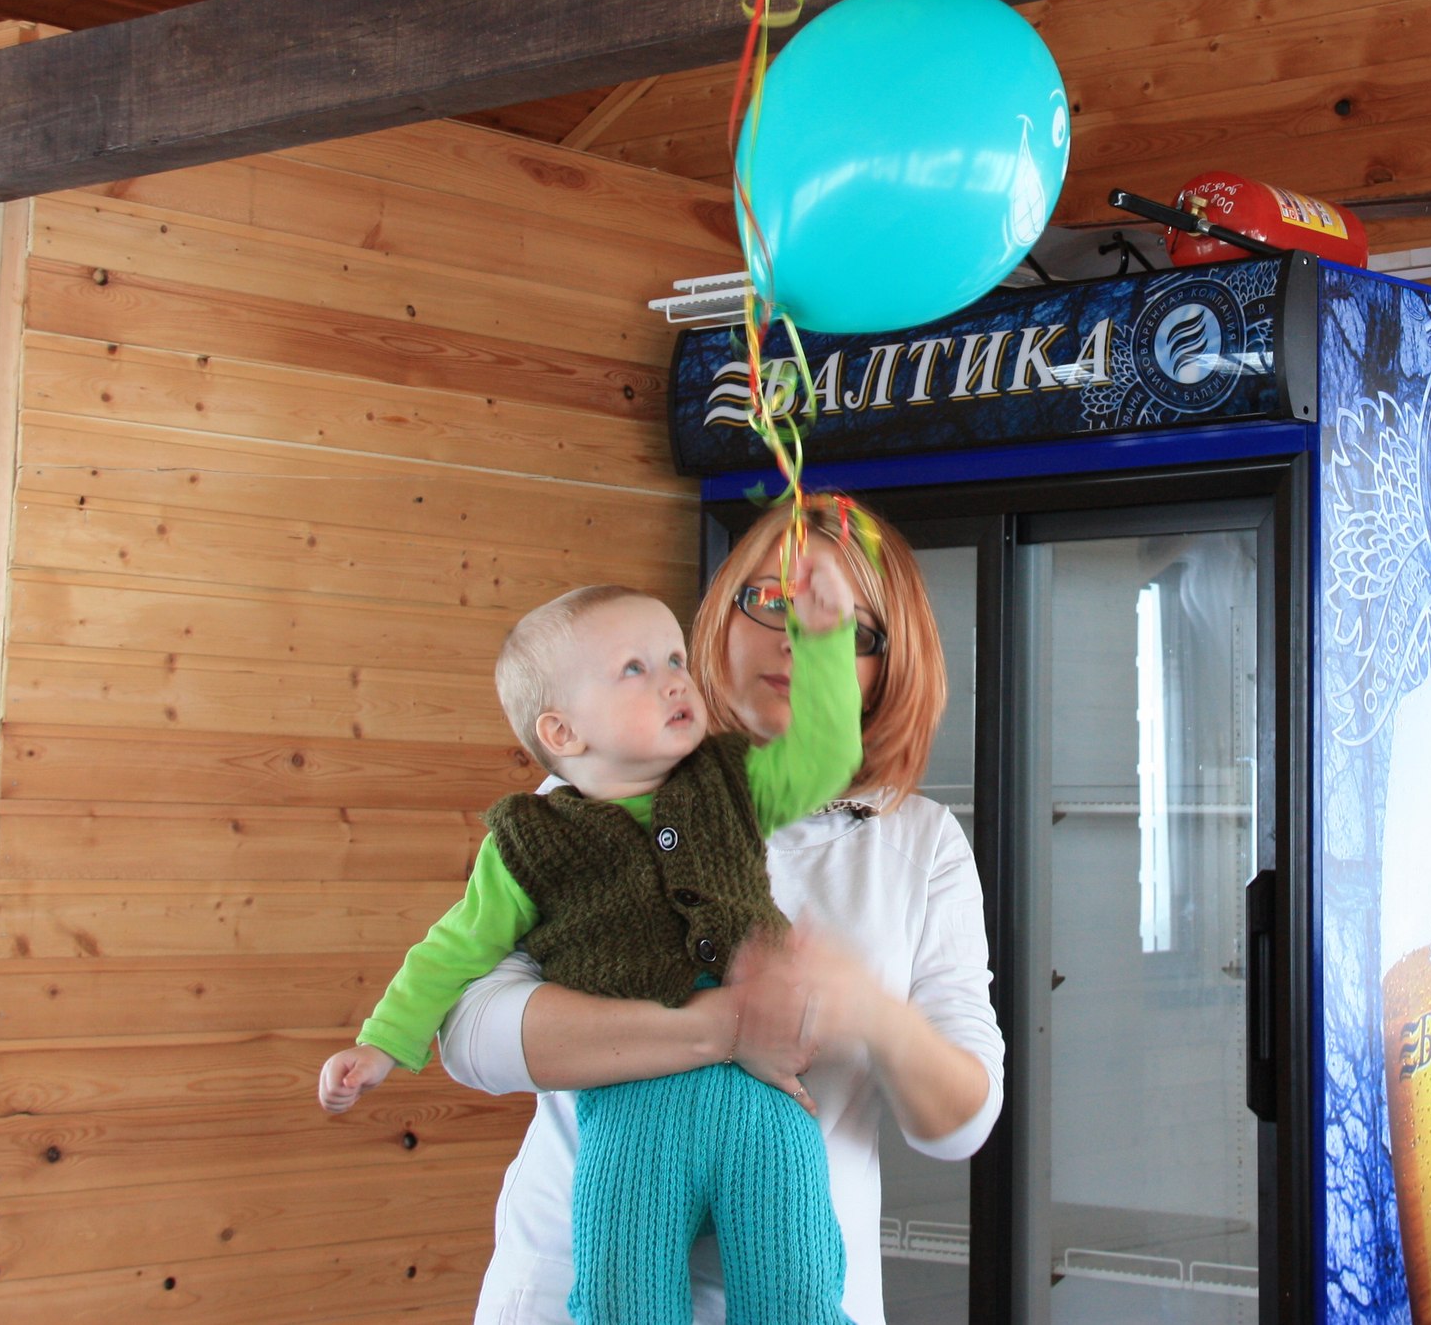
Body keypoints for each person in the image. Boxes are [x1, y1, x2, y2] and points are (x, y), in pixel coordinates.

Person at [437, 497, 1001, 1325]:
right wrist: (717, 1029)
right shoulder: (592, 793)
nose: (794, 638)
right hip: (571, 1291)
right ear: (719, 616)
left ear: (888, 668)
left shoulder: (920, 842)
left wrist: (868, 1009)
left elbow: (960, 1123)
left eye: (841, 625)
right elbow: (469, 1033)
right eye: (771, 600)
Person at [318, 557, 867, 1325]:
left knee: (796, 1302)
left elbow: (826, 754)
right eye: (636, 669)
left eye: (674, 659)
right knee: (622, 1304)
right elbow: (452, 950)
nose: (674, 681)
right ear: (561, 730)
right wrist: (382, 1043)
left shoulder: (731, 779)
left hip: (766, 1107)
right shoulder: (531, 840)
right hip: (631, 1119)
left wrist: (828, 640)